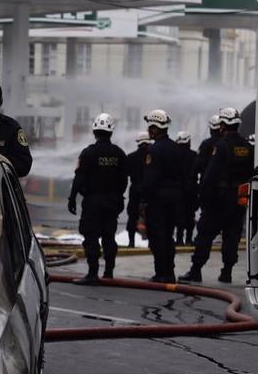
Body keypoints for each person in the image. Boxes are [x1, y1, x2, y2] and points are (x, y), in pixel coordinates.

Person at [179, 107, 254, 283]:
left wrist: (203, 198)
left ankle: (196, 270)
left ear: (223, 126)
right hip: (237, 201)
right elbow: (251, 174)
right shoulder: (247, 147)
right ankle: (226, 273)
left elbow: (210, 176)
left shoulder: (221, 146)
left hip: (218, 201)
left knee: (204, 235)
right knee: (232, 237)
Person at [67, 113, 128, 284]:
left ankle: (92, 274)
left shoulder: (88, 153)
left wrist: (72, 198)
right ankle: (109, 273)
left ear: (95, 131)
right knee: (109, 236)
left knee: (91, 236)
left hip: (93, 202)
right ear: (111, 132)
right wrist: (118, 198)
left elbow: (79, 178)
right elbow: (124, 180)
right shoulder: (119, 154)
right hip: (112, 202)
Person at [141, 109, 184, 283]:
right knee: (168, 236)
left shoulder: (154, 149)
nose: (149, 131)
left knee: (157, 236)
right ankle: (170, 272)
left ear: (156, 128)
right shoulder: (176, 148)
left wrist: (144, 201)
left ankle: (161, 273)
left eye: (150, 127)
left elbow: (150, 178)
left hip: (157, 201)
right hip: (174, 200)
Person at [125, 131, 152, 248]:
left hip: (135, 190)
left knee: (132, 216)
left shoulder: (130, 157)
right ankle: (151, 243)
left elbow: (125, 175)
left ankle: (131, 242)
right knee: (152, 216)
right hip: (150, 190)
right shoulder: (154, 156)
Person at [175, 131, 198, 246]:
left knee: (178, 216)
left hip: (177, 190)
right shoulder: (194, 155)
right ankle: (189, 239)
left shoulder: (173, 155)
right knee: (190, 216)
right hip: (191, 190)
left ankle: (179, 239)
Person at [194, 114, 224, 188]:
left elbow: (197, 165)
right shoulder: (226, 143)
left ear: (210, 128)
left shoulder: (205, 144)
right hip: (223, 185)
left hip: (207, 184)